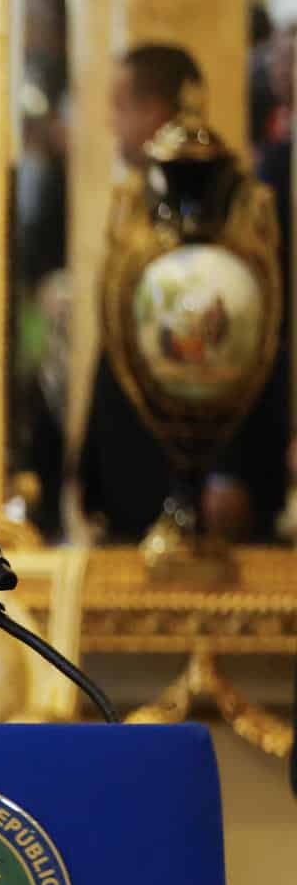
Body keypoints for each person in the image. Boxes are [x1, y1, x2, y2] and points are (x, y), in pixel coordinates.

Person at [81, 43, 291, 542]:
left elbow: (256, 343)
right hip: (130, 485)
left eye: (120, 106)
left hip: (209, 493)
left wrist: (229, 473)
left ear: (154, 111)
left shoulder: (238, 206)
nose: (112, 124)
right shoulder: (134, 202)